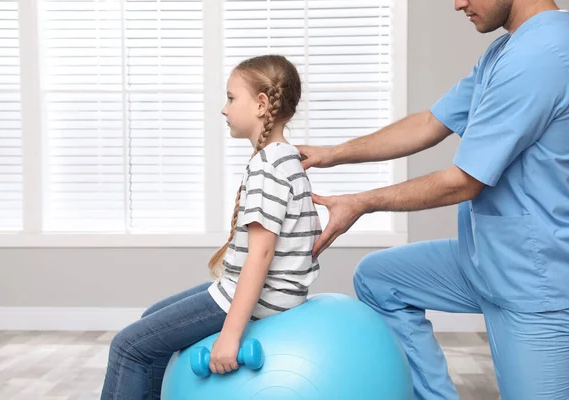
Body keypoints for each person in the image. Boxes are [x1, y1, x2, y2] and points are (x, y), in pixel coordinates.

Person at [297, 1, 569, 399]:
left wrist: (361, 201)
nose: (458, 3)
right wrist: (332, 154)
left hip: (534, 282)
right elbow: (430, 122)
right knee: (380, 278)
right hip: (488, 260)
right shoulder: (504, 51)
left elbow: (463, 182)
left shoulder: (541, 56)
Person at [101, 55, 321, 399]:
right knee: (150, 320)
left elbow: (261, 255)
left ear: (261, 104)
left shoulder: (268, 165)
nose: (224, 108)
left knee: (128, 346)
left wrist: (231, 335)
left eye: (232, 98)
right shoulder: (288, 157)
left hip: (261, 298)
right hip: (267, 291)